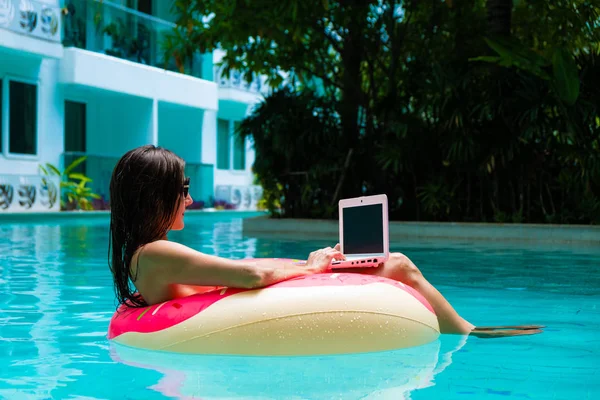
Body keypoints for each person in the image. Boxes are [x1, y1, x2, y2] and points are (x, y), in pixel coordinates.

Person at [108, 145, 543, 338]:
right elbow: (249, 273)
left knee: (391, 264)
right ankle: (467, 333)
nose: (189, 197)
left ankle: (466, 328)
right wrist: (313, 267)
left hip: (238, 305)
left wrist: (309, 265)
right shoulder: (155, 254)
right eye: (182, 188)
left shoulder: (146, 256)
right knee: (398, 265)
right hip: (234, 316)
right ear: (156, 197)